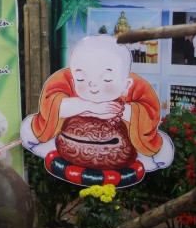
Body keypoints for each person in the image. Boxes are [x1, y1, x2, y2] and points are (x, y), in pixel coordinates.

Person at [20, 35, 174, 178]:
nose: (93, 85)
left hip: (119, 149)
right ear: (73, 79)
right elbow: (52, 104)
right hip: (68, 144)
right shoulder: (64, 79)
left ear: (126, 84)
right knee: (34, 134)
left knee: (154, 152)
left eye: (107, 78)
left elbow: (149, 113)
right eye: (81, 78)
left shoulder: (137, 87)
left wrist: (120, 110)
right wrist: (88, 106)